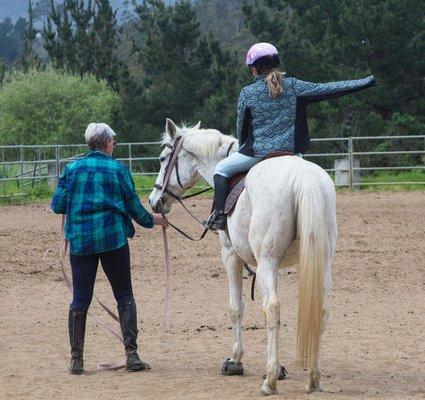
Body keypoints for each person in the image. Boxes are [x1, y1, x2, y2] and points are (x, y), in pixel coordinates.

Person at [206, 42, 376, 231]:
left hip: (257, 154)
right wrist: (365, 82)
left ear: (253, 69)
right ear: (276, 64)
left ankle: (219, 217)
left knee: (221, 169)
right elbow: (329, 88)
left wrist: (244, 145)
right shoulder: (294, 86)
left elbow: (241, 126)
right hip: (291, 154)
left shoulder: (247, 93)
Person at [51, 122, 168, 374]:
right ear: (105, 143)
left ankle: (76, 360)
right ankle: (132, 355)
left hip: (81, 243)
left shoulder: (71, 170)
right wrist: (152, 221)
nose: (114, 145)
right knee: (124, 295)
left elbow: (57, 205)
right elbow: (134, 207)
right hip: (113, 240)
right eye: (113, 142)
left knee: (80, 299)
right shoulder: (118, 170)